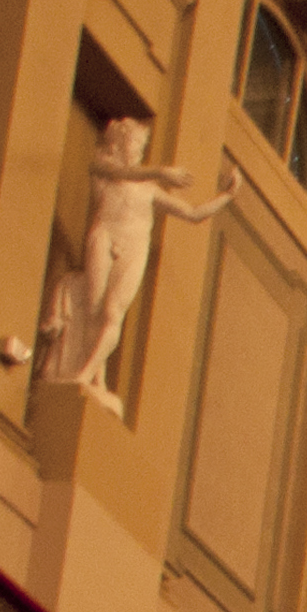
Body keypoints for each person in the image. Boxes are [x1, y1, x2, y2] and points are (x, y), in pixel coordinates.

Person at [37, 119, 242, 416]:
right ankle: (97, 376)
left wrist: (227, 196)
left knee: (112, 312)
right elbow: (122, 172)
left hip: (134, 247)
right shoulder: (103, 167)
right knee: (94, 306)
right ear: (119, 143)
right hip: (104, 235)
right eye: (134, 143)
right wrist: (159, 170)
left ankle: (85, 375)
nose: (138, 150)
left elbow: (193, 213)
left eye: (141, 146)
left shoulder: (150, 189)